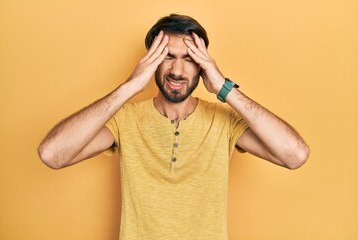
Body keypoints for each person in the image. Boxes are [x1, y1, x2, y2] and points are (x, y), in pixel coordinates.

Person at [38, 14, 309, 240]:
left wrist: (225, 89)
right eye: (167, 56)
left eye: (189, 59)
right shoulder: (125, 119)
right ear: (151, 61)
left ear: (203, 66)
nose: (177, 71)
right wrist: (130, 86)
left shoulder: (224, 121)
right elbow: (52, 154)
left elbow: (295, 155)